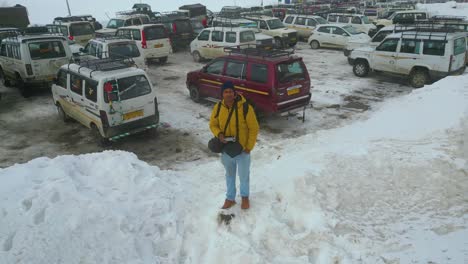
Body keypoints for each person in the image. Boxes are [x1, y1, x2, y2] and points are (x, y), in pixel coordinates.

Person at [209, 81, 259, 210]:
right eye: (226, 92)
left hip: (242, 150)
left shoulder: (245, 107)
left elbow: (254, 128)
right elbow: (213, 124)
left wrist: (249, 147)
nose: (228, 94)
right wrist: (219, 134)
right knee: (229, 175)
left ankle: (245, 197)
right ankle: (230, 198)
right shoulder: (218, 107)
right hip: (226, 150)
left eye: (230, 91)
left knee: (244, 176)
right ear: (222, 94)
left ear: (234, 92)